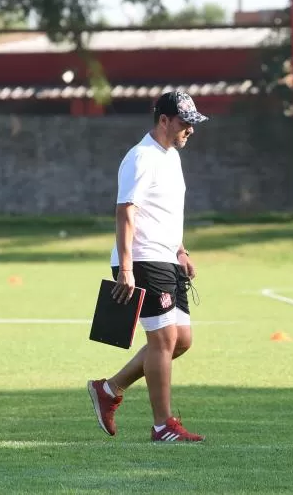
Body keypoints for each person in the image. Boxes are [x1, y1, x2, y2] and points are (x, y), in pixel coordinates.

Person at [87, 90, 207, 443]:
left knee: (181, 340)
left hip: (167, 257)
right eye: (185, 123)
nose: (190, 130)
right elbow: (127, 210)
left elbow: (166, 211)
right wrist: (125, 267)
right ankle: (162, 425)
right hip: (142, 259)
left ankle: (109, 389)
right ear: (164, 120)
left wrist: (181, 250)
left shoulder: (171, 156)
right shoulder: (140, 157)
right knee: (164, 340)